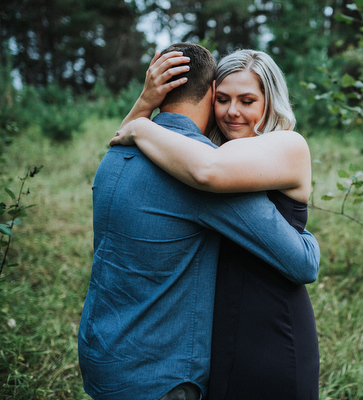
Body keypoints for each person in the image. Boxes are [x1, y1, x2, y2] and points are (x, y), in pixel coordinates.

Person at [78, 43, 320, 400]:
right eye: (223, 99)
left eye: (247, 101)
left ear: (271, 101)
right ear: (209, 95)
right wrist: (143, 109)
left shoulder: (285, 145)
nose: (232, 111)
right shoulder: (194, 155)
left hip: (270, 328)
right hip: (217, 334)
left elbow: (208, 172)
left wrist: (142, 123)